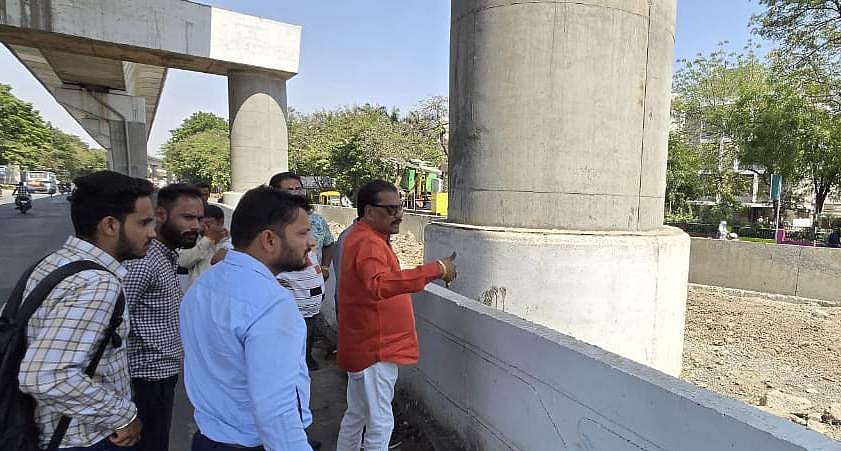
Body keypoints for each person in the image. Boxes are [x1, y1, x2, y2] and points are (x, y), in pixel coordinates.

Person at [16, 170, 155, 450]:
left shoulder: (55, 263)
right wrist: (124, 416)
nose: (153, 232)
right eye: (144, 223)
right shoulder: (97, 283)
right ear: (110, 226)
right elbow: (44, 375)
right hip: (80, 438)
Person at [180, 186, 315, 451]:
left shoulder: (205, 283)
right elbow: (276, 410)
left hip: (209, 438)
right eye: (302, 233)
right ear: (269, 240)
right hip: (253, 442)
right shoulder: (271, 304)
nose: (311, 242)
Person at [336, 180, 457, 451]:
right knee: (380, 423)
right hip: (374, 349)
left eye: (400, 207)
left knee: (358, 415)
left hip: (364, 344)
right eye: (391, 210)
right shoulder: (368, 242)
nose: (399, 215)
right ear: (369, 212)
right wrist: (435, 269)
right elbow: (380, 284)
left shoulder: (364, 236)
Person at [123, 183, 204, 451]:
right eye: (188, 217)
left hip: (161, 377)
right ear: (160, 215)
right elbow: (116, 322)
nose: (197, 226)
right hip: (142, 381)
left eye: (200, 219)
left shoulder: (165, 256)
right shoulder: (143, 262)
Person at [269, 173, 335, 366]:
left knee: (307, 331)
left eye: (299, 188)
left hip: (311, 295)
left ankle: (305, 359)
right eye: (290, 189)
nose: (297, 192)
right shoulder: (267, 222)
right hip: (284, 300)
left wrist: (323, 268)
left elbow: (327, 245)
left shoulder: (316, 220)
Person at [178, 204, 232, 287]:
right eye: (200, 222)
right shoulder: (193, 240)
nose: (203, 227)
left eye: (208, 223)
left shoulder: (230, 243)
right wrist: (207, 240)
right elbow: (183, 262)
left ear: (221, 222)